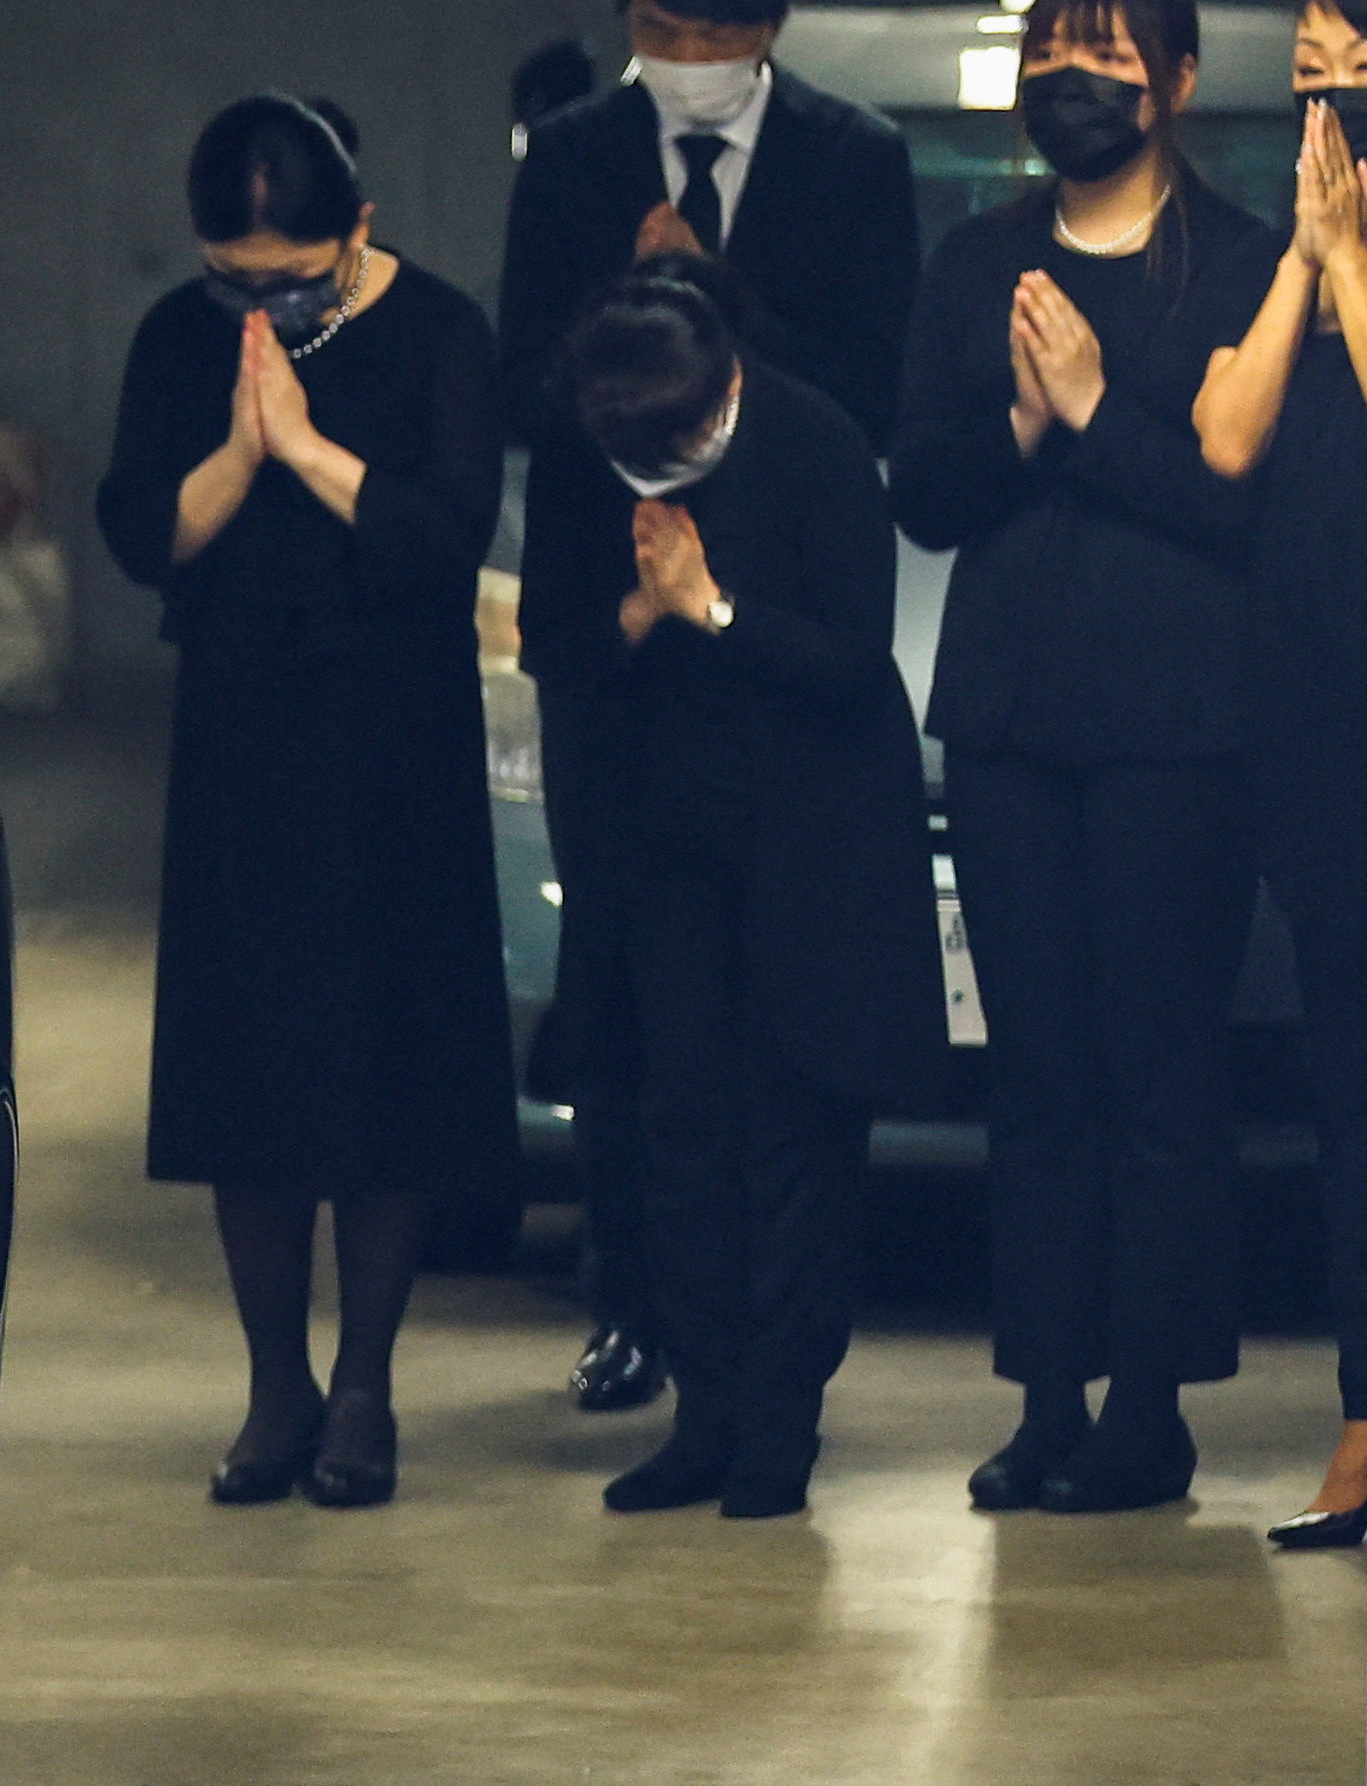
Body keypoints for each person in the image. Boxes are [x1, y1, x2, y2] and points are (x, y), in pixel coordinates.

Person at [498, 0, 919, 1415]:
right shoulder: (567, 153)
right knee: (626, 998)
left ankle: (769, 1351)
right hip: (606, 638)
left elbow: (876, 388)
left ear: (770, 28)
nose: (695, 48)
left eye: (722, 25)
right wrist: (618, 332)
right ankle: (633, 1309)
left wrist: (718, 298)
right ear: (636, 22)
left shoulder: (854, 155)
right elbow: (519, 387)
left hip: (774, 609)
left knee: (774, 1007)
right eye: (673, 22)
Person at [96, 93, 515, 1508]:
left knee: (383, 1067)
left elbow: (444, 534)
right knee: (250, 1066)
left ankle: (366, 1389)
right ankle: (275, 1383)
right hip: (242, 731)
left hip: (394, 734)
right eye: (237, 276)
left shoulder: (443, 329)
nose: (261, 299)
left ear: (360, 229)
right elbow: (145, 535)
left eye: (292, 276)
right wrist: (238, 447)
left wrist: (310, 449)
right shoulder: (177, 336)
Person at [892, 0, 1277, 1515]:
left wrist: (1098, 410)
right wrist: (1027, 422)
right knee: (1036, 1070)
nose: (1074, 75)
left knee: (1160, 1067)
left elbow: (1241, 511)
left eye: (1109, 52)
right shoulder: (977, 263)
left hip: (1183, 732)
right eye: (1052, 48)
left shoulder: (1244, 263)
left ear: (1175, 80)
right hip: (1004, 726)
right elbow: (927, 494)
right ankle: (1046, 1393)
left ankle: (1152, 1404)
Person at [557, 259, 937, 1517]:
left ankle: (782, 1421)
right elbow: (557, 642)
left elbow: (852, 658)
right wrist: (634, 609)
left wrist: (706, 607)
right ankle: (703, 1411)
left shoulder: (815, 440)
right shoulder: (599, 441)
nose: (656, 463)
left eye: (678, 441)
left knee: (794, 1141)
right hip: (665, 848)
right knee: (684, 1135)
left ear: (725, 380)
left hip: (811, 849)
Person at [1192, 0, 1367, 1547]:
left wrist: (1353, 263)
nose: (1325, 107)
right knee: (1347, 1087)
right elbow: (1224, 437)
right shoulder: (1299, 262)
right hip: (1322, 732)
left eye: (1349, 72)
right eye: (1306, 77)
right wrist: (1308, 258)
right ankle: (1365, 1427)